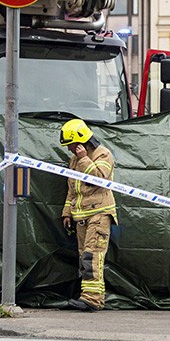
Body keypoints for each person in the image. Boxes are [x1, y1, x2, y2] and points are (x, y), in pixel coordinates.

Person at [59, 119, 116, 312]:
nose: (69, 149)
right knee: (85, 257)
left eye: (71, 144)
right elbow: (72, 189)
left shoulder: (103, 154)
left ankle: (93, 299)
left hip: (99, 214)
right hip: (81, 216)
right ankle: (88, 295)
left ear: (81, 141)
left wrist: (84, 159)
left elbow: (99, 179)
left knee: (93, 256)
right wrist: (67, 212)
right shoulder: (74, 159)